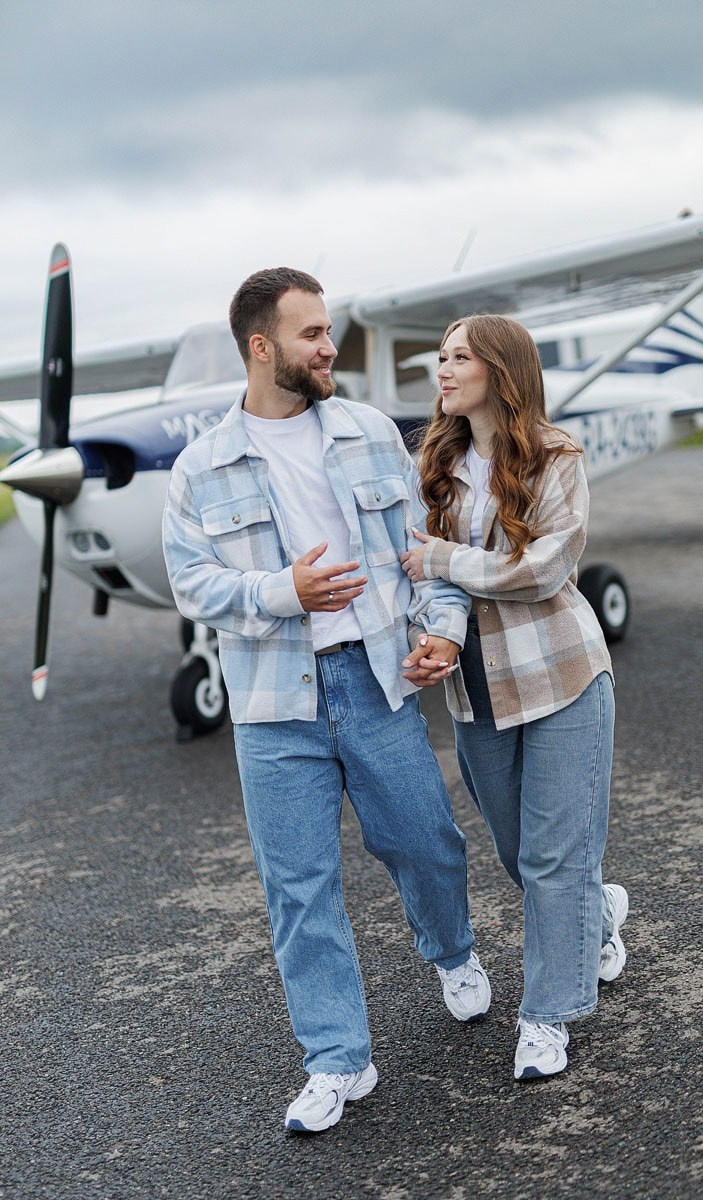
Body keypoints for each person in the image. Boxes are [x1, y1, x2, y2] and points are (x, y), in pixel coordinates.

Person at [162, 269, 491, 1134]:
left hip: (375, 679)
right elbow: (192, 583)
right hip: (275, 708)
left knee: (427, 841)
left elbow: (427, 548)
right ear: (262, 348)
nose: (328, 346)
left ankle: (453, 954)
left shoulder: (372, 433)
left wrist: (444, 630)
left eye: (328, 330)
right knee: (298, 889)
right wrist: (283, 592)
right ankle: (338, 1059)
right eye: (310, 334)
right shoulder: (200, 467)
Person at [400, 313, 628, 1081]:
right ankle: (597, 916)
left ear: (501, 369)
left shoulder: (558, 455)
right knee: (518, 854)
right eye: (440, 357)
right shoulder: (433, 460)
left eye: (459, 356)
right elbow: (422, 580)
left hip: (563, 675)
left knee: (555, 857)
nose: (443, 368)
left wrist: (443, 557)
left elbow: (545, 571)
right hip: (477, 692)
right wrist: (437, 625)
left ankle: (547, 1017)